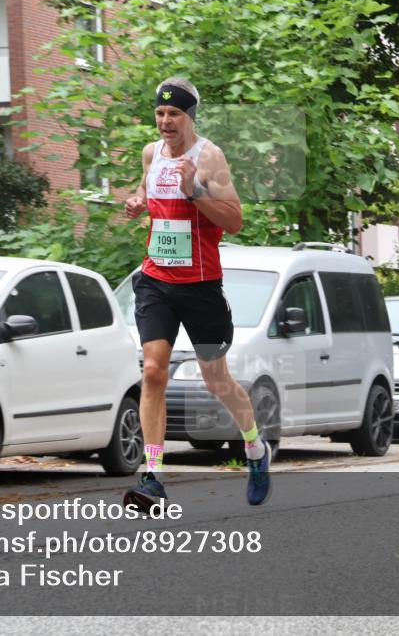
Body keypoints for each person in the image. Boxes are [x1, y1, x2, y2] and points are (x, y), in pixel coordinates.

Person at [122, 77, 271, 511]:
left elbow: (234, 220)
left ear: (190, 116)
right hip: (156, 280)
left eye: (175, 114)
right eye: (160, 114)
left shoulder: (210, 158)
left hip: (201, 287)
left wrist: (197, 190)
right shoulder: (151, 153)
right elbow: (150, 197)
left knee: (216, 380)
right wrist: (137, 203)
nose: (166, 122)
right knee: (153, 370)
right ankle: (152, 475)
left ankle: (255, 449)